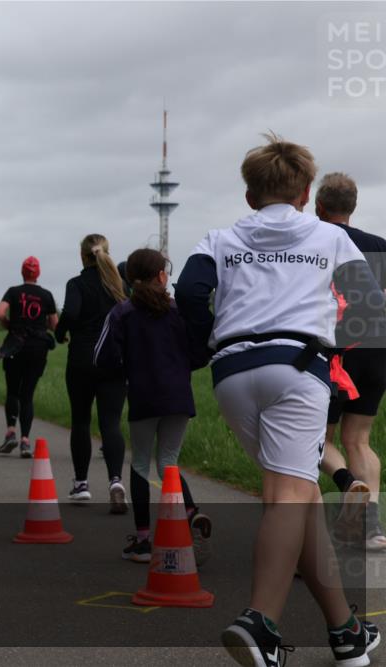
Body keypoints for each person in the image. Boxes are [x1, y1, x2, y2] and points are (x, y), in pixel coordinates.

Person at [175, 133, 381, 667]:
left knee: (301, 498)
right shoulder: (330, 237)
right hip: (297, 368)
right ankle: (260, 623)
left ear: (249, 195)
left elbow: (189, 292)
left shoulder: (220, 238)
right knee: (289, 494)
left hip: (232, 373)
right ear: (306, 193)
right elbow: (368, 306)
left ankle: (345, 631)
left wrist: (207, 337)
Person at [95, 248, 211, 564]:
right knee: (169, 462)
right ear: (162, 275)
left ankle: (144, 541)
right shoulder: (178, 312)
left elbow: (102, 357)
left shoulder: (122, 313)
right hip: (179, 396)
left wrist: (127, 369)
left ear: (129, 277)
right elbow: (200, 352)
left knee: (141, 464)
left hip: (144, 396)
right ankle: (191, 511)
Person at [313, 173, 386, 551]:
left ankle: (347, 484)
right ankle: (370, 527)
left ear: (319, 207)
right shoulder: (380, 246)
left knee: (319, 439)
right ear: (352, 207)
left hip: (335, 350)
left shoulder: (316, 241)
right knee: (359, 439)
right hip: (377, 349)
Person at [54, 234, 129, 514]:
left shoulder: (76, 284)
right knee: (111, 423)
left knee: (81, 421)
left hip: (82, 360)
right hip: (114, 360)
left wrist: (60, 332)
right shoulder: (120, 285)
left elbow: (71, 313)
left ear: (82, 256)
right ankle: (116, 481)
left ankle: (82, 484)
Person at [0, 256, 58, 459]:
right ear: (38, 273)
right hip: (37, 349)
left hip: (15, 346)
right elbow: (54, 324)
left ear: (22, 272)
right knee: (27, 395)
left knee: (13, 392)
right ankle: (25, 441)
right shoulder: (46, 295)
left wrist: (10, 325)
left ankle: (11, 432)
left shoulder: (13, 292)